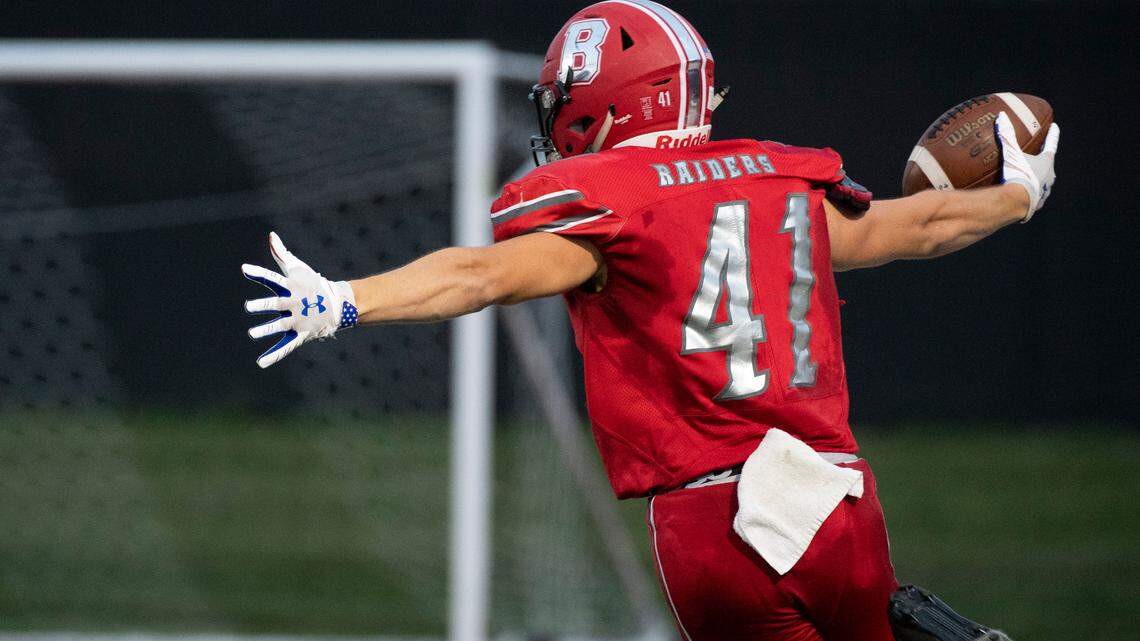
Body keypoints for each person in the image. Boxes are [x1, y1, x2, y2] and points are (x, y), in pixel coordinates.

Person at [241, 2, 1059, 639]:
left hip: (714, 528)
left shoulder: (613, 207)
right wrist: (1017, 194)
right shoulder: (782, 184)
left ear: (603, 108)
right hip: (838, 501)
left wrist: (349, 298)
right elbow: (916, 226)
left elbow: (482, 274)